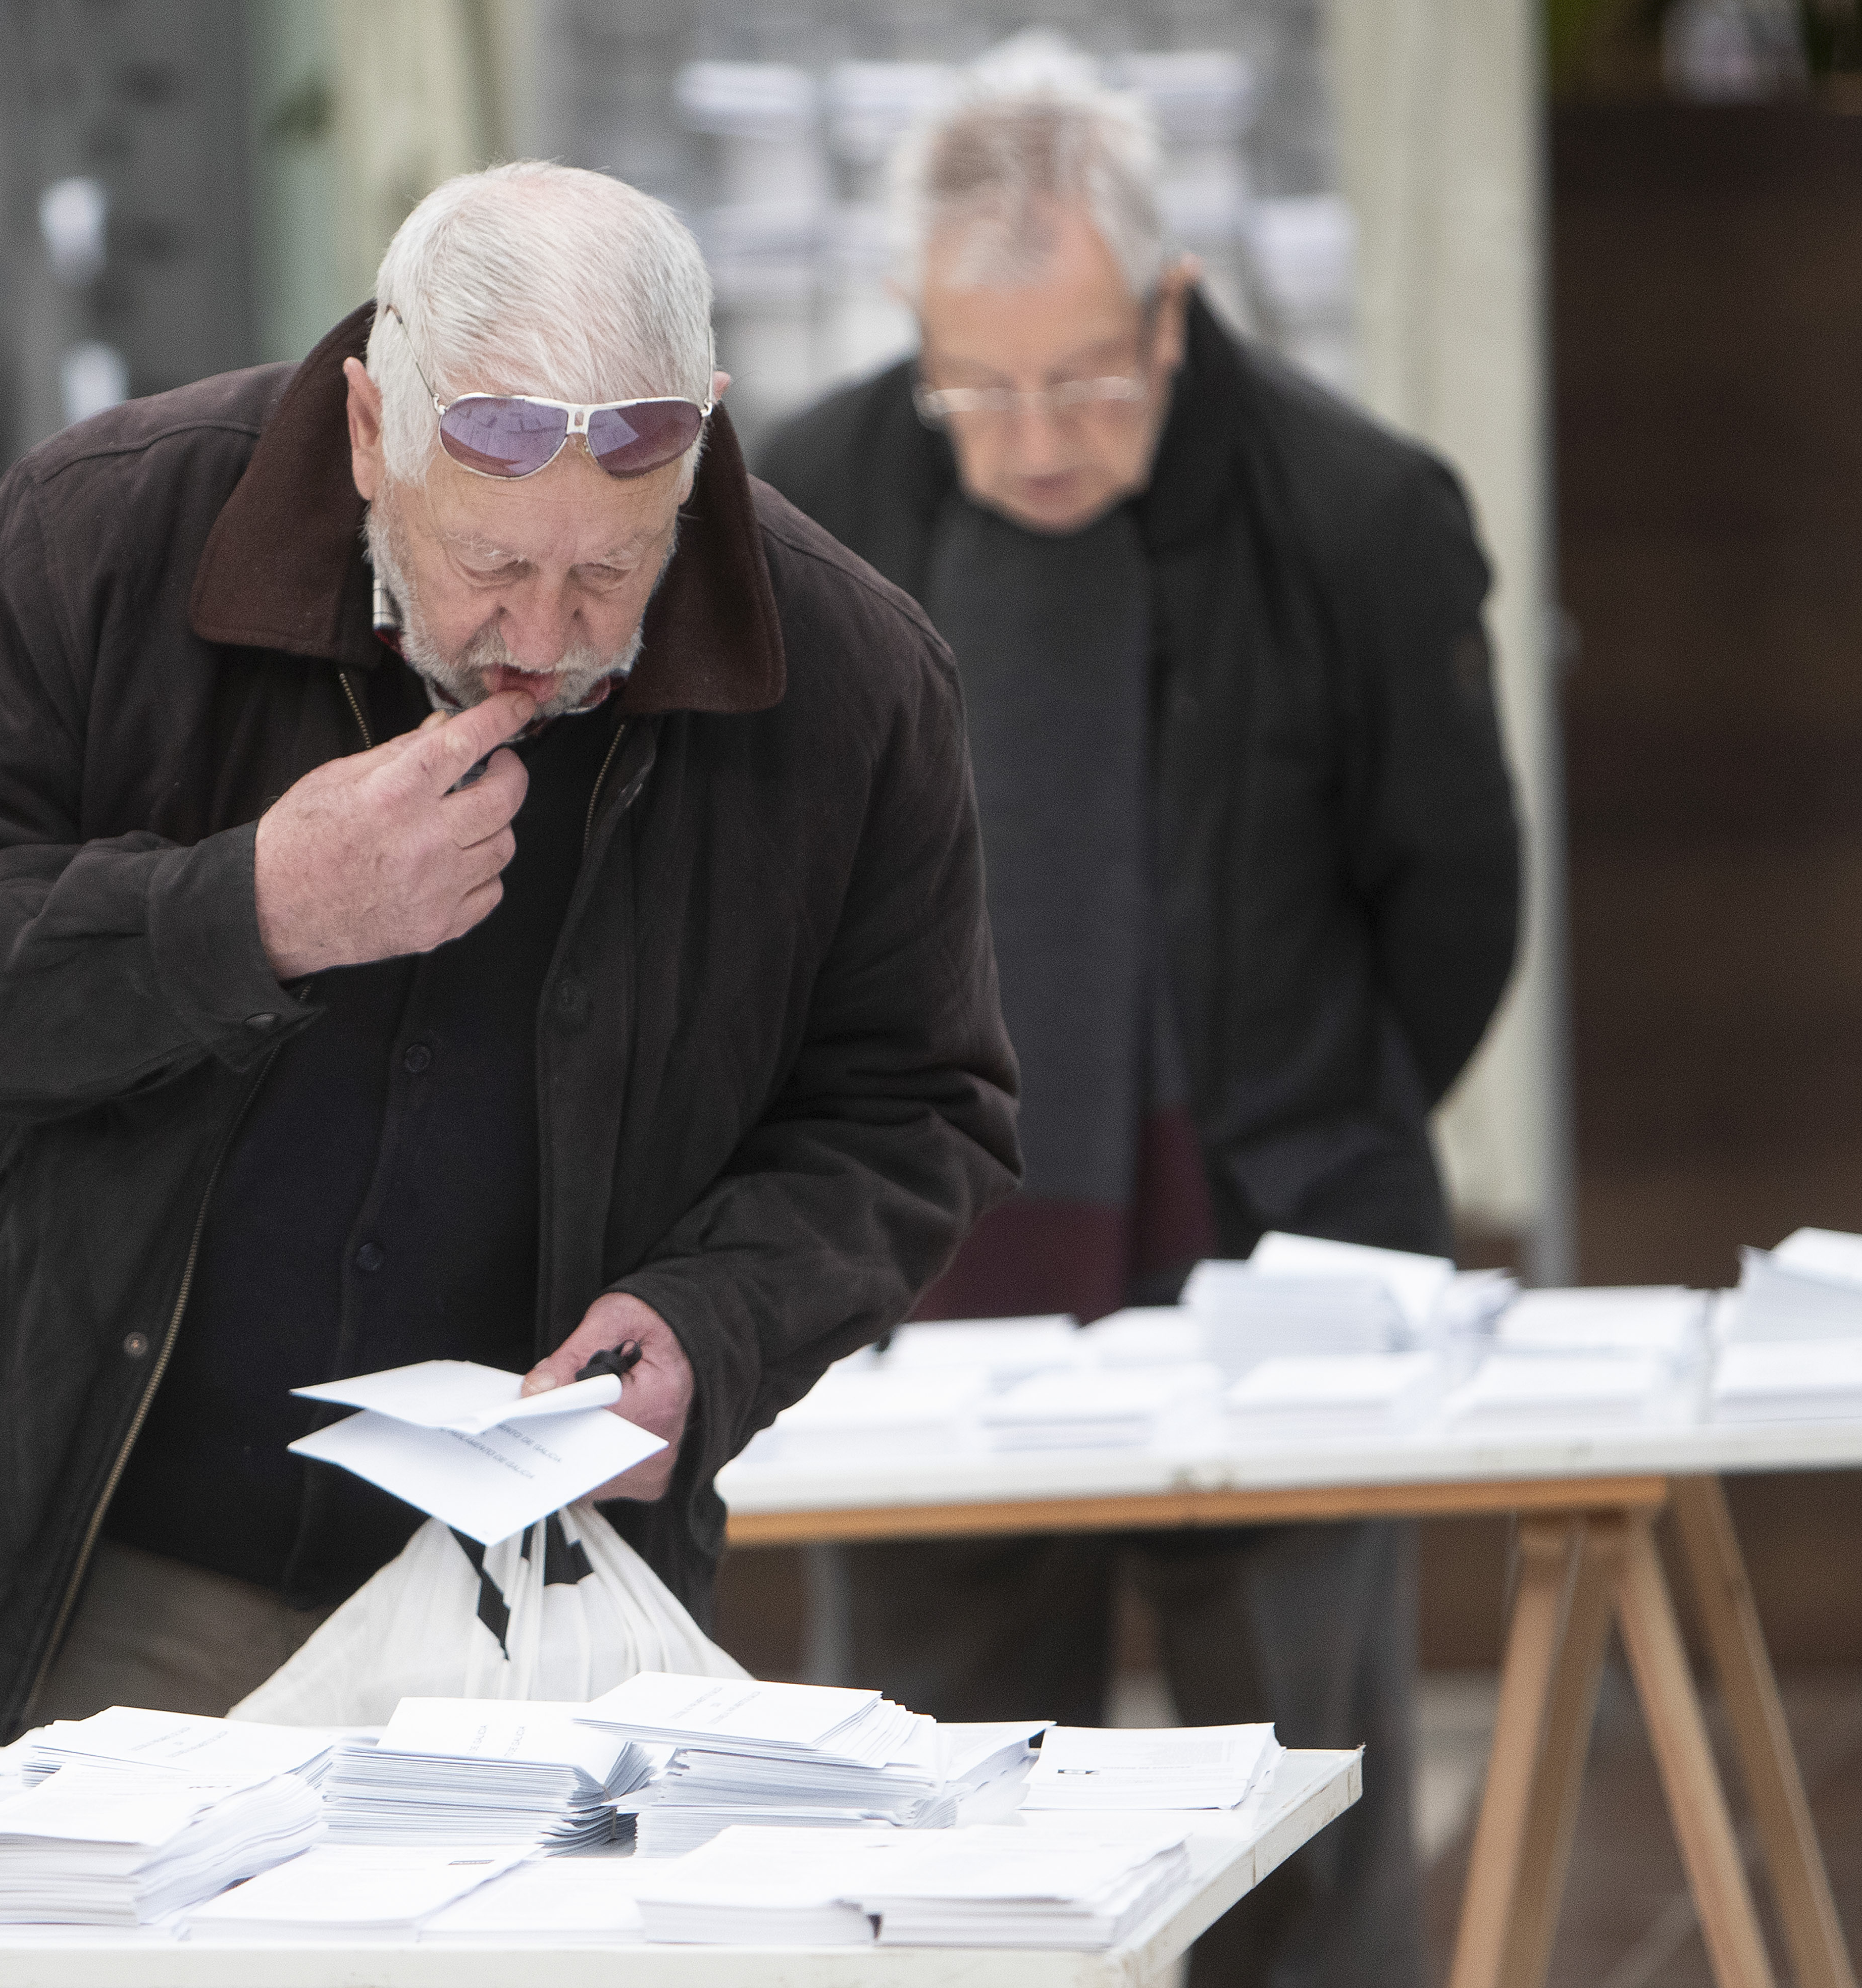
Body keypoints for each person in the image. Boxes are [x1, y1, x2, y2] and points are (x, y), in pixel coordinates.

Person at [0, 162, 1021, 1743]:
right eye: (491, 568)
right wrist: (252, 911)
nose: (550, 639)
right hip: (106, 1560)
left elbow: (918, 1104)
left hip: (541, 1601)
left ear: (696, 445)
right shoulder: (109, 529)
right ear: (374, 432)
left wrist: (718, 1324)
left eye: (610, 570)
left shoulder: (850, 676)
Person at [759, 44, 1520, 1988]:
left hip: (1274, 1271)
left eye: (1082, 376)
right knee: (934, 1846)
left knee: (1297, 1825)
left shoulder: (1356, 512)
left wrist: (1310, 1122)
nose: (1024, 437)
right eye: (976, 381)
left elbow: (1451, 900)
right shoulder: (810, 506)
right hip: (932, 1280)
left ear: (1172, 308)